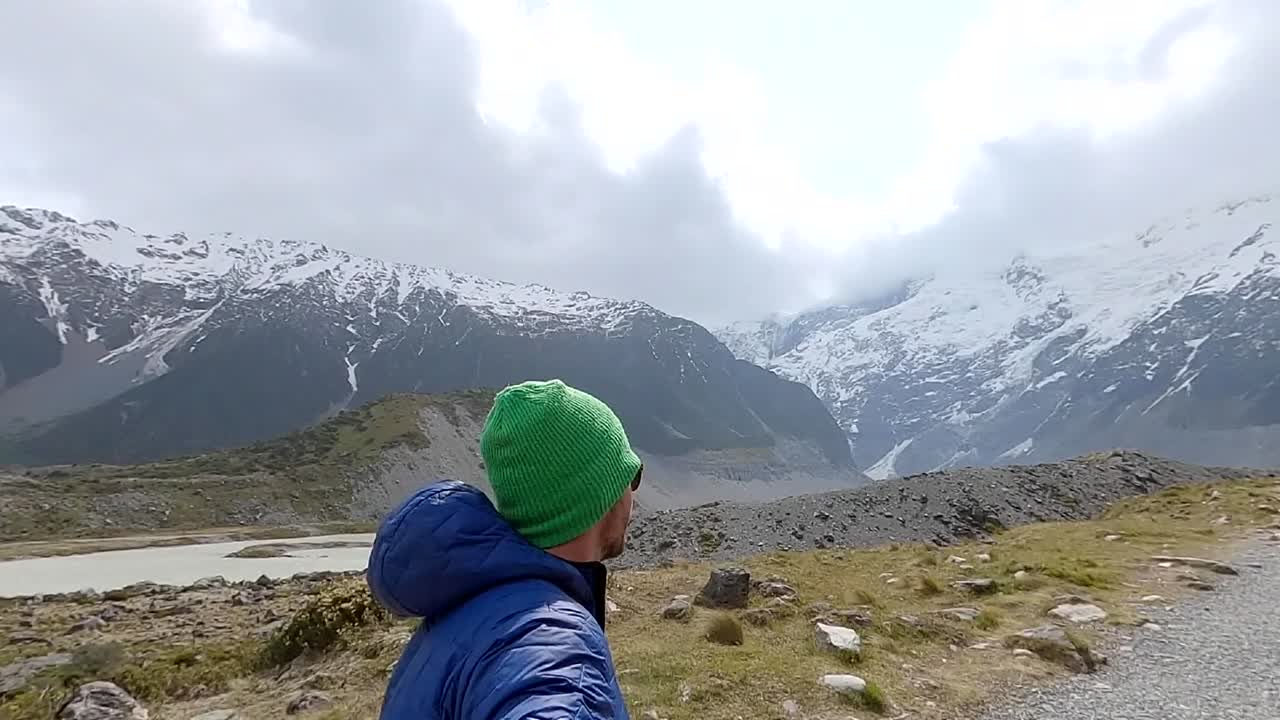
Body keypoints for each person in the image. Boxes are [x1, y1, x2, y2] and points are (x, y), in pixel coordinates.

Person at [368, 379, 640, 720]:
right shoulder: (554, 640)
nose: (634, 495)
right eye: (632, 475)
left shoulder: (466, 608)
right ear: (602, 494)